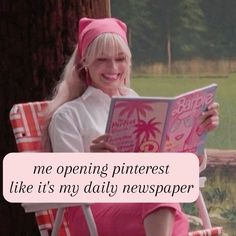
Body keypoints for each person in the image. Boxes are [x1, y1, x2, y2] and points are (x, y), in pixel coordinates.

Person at [46, 17, 219, 236]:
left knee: (163, 194)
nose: (113, 68)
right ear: (85, 63)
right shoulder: (68, 115)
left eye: (120, 59)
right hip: (91, 212)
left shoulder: (136, 101)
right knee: (162, 196)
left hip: (150, 206)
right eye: (102, 60)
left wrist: (196, 132)